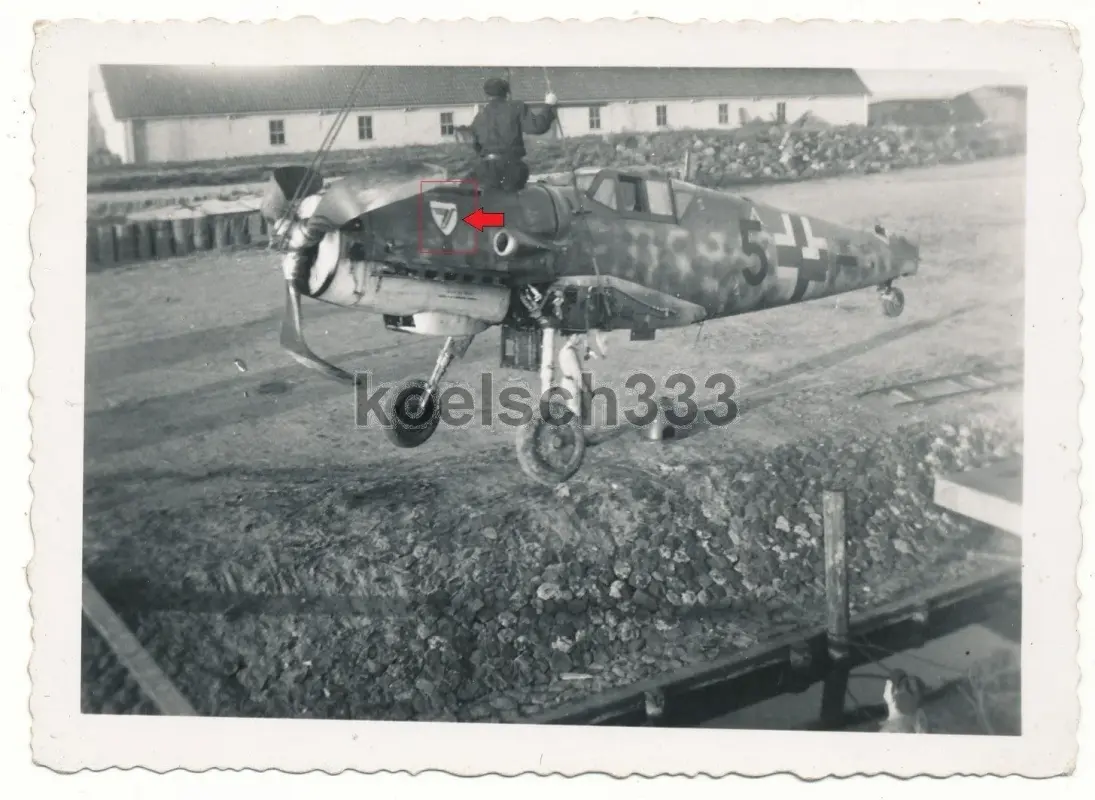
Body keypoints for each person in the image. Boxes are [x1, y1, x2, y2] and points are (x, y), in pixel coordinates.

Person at [469, 77, 558, 192]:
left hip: (485, 170)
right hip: (511, 169)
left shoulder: (479, 116)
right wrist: (549, 105)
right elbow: (537, 127)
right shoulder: (517, 107)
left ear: (486, 94)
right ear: (507, 93)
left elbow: (476, 146)